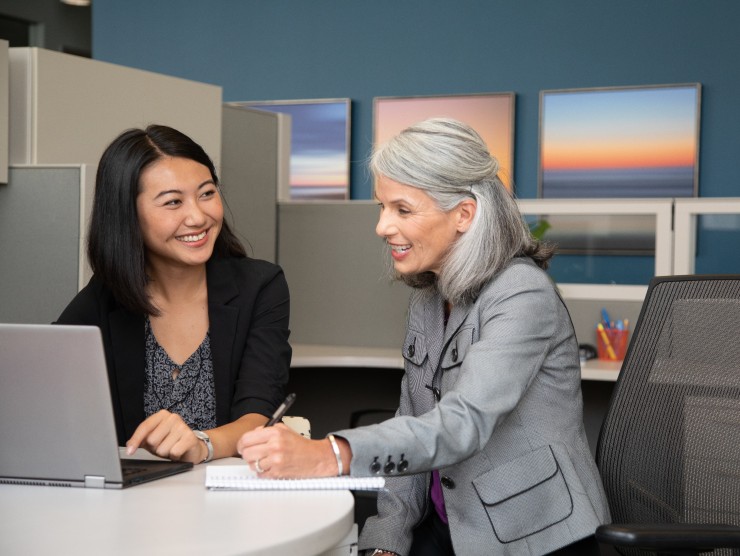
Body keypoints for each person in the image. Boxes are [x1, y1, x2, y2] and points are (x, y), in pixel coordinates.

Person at [236, 118, 610, 555]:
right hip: (448, 524)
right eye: (382, 207)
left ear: (464, 215)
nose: (382, 227)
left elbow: (459, 425)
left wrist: (329, 454)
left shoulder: (522, 294)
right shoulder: (430, 301)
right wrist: (387, 540)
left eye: (402, 209)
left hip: (530, 535)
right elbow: (411, 423)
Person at [56, 124, 291, 465]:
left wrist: (202, 444)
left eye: (207, 193)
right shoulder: (104, 300)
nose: (197, 216)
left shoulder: (259, 287)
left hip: (228, 500)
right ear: (129, 216)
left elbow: (259, 415)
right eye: (173, 202)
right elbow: (44, 388)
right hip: (134, 501)